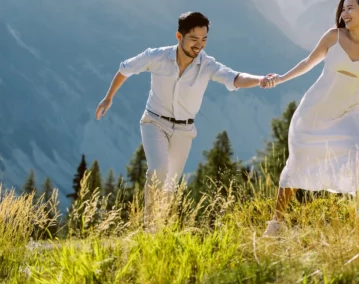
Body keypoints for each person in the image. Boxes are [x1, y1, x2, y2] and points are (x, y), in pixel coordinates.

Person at [95, 11, 268, 228]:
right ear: (179, 36)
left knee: (169, 187)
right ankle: (150, 229)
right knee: (157, 170)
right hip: (154, 122)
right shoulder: (156, 56)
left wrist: (260, 80)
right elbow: (125, 69)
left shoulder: (207, 65)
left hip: (184, 131)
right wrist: (108, 97)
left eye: (204, 39)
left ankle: (160, 231)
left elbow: (234, 77)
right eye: (194, 39)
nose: (199, 45)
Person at [260, 0, 359, 237]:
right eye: (343, 9)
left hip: (348, 109)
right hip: (316, 110)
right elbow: (308, 62)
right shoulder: (334, 36)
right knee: (298, 163)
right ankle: (277, 222)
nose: (344, 13)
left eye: (350, 8)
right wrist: (281, 79)